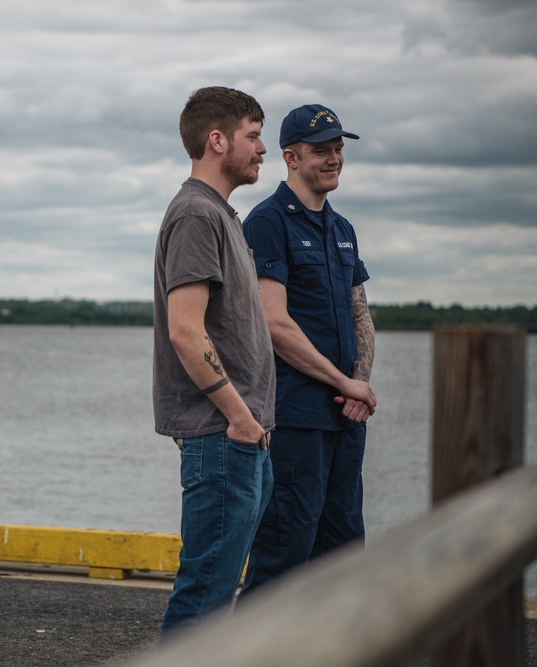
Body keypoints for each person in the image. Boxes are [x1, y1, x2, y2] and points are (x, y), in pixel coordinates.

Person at [238, 103, 377, 601]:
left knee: (341, 554)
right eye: (322, 150)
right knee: (284, 556)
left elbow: (361, 316)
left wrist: (358, 387)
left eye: (339, 148)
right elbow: (275, 325)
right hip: (295, 419)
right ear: (290, 157)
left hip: (345, 419)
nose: (334, 158)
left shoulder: (342, 230)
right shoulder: (266, 222)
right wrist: (344, 384)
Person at [152, 86, 277, 639]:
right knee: (205, 597)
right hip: (223, 435)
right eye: (253, 135)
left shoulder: (221, 216)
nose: (263, 149)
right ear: (217, 139)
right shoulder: (197, 215)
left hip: (238, 435)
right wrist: (240, 417)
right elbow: (185, 330)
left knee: (217, 594)